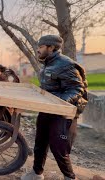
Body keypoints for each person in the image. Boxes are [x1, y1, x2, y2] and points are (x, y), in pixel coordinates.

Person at [21, 35, 88, 180]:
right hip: (47, 110)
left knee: (59, 148)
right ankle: (36, 173)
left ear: (51, 47)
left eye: (40, 47)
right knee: (40, 143)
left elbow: (76, 89)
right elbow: (50, 86)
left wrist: (58, 104)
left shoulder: (65, 64)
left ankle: (70, 177)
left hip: (61, 113)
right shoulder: (48, 63)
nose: (37, 50)